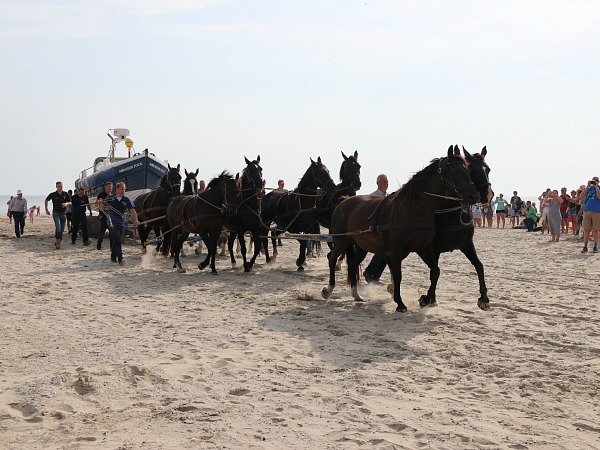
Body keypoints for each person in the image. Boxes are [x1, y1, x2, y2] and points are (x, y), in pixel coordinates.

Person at [101, 182, 139, 265]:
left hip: (121, 223)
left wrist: (136, 220)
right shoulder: (110, 198)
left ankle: (113, 256)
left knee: (118, 240)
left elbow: (132, 210)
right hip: (112, 223)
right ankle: (120, 259)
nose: (123, 191)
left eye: (124, 189)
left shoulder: (126, 199)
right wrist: (102, 204)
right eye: (122, 189)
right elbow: (101, 207)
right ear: (117, 189)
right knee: (117, 239)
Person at [363, 174, 389, 283]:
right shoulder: (373, 196)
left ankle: (375, 277)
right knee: (382, 250)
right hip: (374, 229)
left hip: (385, 228)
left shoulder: (389, 196)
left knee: (388, 253)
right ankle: (369, 272)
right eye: (384, 182)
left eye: (387, 182)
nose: (386, 184)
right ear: (378, 183)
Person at [45, 181, 71, 249]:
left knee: (61, 229)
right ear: (56, 187)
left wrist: (66, 204)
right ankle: (58, 242)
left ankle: (58, 241)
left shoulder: (65, 194)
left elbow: (70, 202)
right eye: (59, 186)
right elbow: (46, 200)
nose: (60, 188)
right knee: (58, 227)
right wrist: (46, 209)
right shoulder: (53, 194)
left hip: (63, 213)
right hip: (56, 213)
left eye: (61, 186)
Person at [579, 176, 600, 253]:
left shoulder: (598, 188)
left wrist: (597, 186)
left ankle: (595, 246)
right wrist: (587, 186)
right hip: (587, 210)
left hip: (597, 211)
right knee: (586, 229)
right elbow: (581, 196)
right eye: (593, 180)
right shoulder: (589, 189)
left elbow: (599, 196)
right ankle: (585, 246)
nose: (594, 182)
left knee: (596, 230)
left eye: (596, 180)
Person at [96, 181, 113, 250]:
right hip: (103, 215)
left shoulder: (113, 195)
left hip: (111, 216)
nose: (110, 188)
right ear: (105, 187)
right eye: (109, 187)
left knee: (112, 232)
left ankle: (112, 247)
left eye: (111, 187)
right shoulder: (101, 195)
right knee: (102, 231)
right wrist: (100, 203)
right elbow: (96, 205)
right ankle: (99, 245)